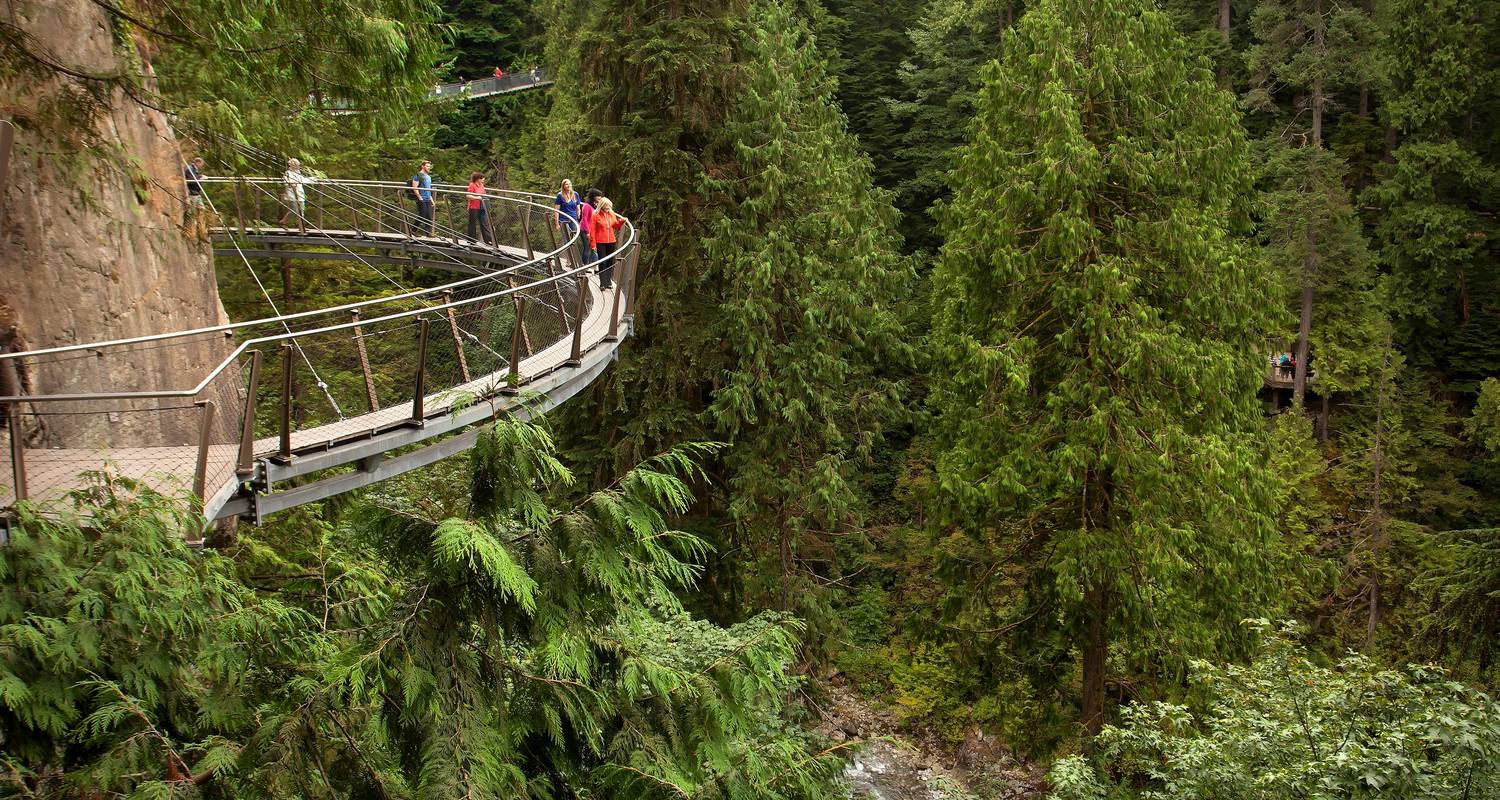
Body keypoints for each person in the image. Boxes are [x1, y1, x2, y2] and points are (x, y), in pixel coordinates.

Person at [589, 197, 627, 289]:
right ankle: (602, 283)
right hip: (600, 241)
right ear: (601, 205)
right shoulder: (595, 215)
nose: (608, 208)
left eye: (609, 206)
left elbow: (615, 225)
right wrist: (593, 244)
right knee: (602, 262)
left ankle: (608, 281)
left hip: (611, 241)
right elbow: (592, 230)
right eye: (606, 206)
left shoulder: (611, 213)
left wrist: (621, 221)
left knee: (610, 261)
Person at [279, 157, 314, 229]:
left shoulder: (298, 173)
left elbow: (302, 180)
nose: (298, 166)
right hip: (292, 194)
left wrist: (312, 179)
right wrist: (292, 184)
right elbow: (286, 182)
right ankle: (283, 222)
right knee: (294, 210)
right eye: (297, 165)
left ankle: (301, 227)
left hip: (300, 193)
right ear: (292, 165)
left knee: (301, 210)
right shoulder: (287, 173)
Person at [466, 171, 493, 245]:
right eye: (482, 178)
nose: (483, 179)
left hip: (482, 207)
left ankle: (488, 240)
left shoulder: (481, 185)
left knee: (484, 223)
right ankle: (471, 240)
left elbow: (484, 194)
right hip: (474, 207)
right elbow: (468, 196)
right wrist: (477, 197)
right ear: (478, 179)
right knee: (472, 223)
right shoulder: (472, 185)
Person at [184, 157, 207, 240]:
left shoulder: (194, 169)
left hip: (197, 194)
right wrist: (200, 178)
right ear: (198, 162)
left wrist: (200, 176)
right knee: (192, 212)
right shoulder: (190, 169)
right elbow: (190, 180)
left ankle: (202, 230)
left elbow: (195, 177)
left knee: (202, 209)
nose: (202, 166)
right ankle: (191, 232)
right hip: (192, 194)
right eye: (201, 165)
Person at [409, 160, 434, 236]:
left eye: (429, 166)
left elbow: (428, 189)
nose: (428, 168)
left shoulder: (429, 177)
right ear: (422, 166)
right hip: (421, 198)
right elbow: (414, 187)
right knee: (422, 215)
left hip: (427, 198)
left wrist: (431, 200)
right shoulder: (417, 176)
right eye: (427, 166)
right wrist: (419, 197)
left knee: (429, 216)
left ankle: (428, 233)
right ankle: (413, 230)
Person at [578, 188, 601, 264]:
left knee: (592, 248)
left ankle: (591, 265)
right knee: (587, 247)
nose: (599, 197)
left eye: (600, 196)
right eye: (598, 196)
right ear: (593, 196)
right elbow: (584, 220)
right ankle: (585, 265)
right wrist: (587, 232)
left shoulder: (595, 205)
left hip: (591, 230)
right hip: (585, 230)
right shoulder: (587, 206)